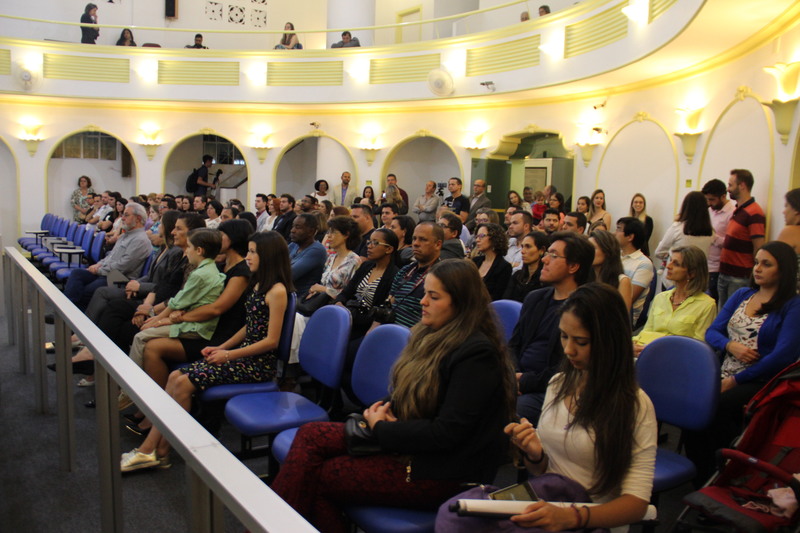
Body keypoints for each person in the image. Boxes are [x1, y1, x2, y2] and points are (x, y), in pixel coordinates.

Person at [272, 259, 517, 533]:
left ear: (461, 303)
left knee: (320, 476)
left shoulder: (477, 354)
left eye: (433, 296)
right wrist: (388, 413)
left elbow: (447, 433)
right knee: (309, 436)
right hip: (411, 441)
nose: (423, 301)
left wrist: (383, 427)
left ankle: (268, 526)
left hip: (444, 470)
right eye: (425, 292)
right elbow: (414, 396)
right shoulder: (431, 335)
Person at [121, 231, 292, 472]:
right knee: (174, 377)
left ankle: (152, 451)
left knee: (183, 383)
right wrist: (222, 347)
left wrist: (229, 355)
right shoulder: (259, 286)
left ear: (269, 256)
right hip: (240, 356)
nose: (248, 256)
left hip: (256, 365)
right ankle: (157, 452)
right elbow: (250, 327)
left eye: (253, 252)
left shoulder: (277, 291)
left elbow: (271, 341)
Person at [501, 282, 657, 531]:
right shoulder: (558, 383)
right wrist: (535, 454)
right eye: (564, 336)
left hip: (591, 520)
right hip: (549, 503)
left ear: (609, 342)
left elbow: (637, 504)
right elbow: (545, 472)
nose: (568, 349)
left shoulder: (635, 406)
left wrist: (574, 517)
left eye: (581, 342)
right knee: (458, 515)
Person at [687, 241, 800, 484]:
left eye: (766, 264)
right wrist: (730, 345)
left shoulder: (793, 306)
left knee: (714, 408)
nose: (757, 268)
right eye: (757, 262)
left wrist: (736, 380)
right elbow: (712, 332)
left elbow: (782, 356)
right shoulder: (743, 295)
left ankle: (723, 474)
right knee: (691, 404)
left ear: (784, 270)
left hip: (761, 379)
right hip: (725, 369)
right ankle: (700, 471)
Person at [509, 232, 595, 424]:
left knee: (510, 409)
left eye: (554, 256)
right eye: (547, 253)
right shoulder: (535, 298)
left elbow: (569, 366)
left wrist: (524, 382)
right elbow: (514, 344)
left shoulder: (585, 308)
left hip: (556, 388)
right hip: (517, 379)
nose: (545, 259)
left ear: (573, 266)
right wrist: (511, 375)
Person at [125, 229, 226, 369]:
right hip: (192, 320)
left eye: (189, 247)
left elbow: (178, 302)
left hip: (196, 327)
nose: (187, 251)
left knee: (141, 336)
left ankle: (131, 386)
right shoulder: (209, 269)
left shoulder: (200, 274)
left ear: (199, 251)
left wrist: (156, 320)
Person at [63, 203, 152, 310]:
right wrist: (98, 264)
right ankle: (66, 311)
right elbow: (110, 256)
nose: (122, 218)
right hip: (106, 272)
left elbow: (123, 266)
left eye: (126, 215)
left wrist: (99, 270)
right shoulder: (125, 235)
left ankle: (76, 318)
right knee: (77, 274)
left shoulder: (140, 240)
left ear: (138, 218)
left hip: (118, 279)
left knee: (86, 290)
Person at [632, 246, 716, 354]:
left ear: (692, 273)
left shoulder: (707, 305)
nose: (668, 266)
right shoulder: (661, 297)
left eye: (676, 264)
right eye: (670, 260)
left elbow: (699, 347)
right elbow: (646, 332)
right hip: (648, 352)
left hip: (678, 359)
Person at [335, 228, 399, 339]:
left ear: (388, 249)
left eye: (375, 243)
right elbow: (346, 293)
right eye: (369, 242)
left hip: (367, 329)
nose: (369, 246)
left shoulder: (394, 275)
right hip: (347, 319)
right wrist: (339, 305)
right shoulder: (366, 266)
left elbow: (382, 312)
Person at [718, 169, 766, 307]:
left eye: (731, 185)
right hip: (726, 272)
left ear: (742, 185)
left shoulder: (754, 212)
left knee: (731, 314)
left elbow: (759, 246)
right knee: (722, 315)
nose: (728, 189)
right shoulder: (738, 210)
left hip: (739, 276)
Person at [653, 191, 713, 286]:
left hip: (674, 280)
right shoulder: (711, 232)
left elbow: (659, 252)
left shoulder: (678, 227)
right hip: (697, 280)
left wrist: (670, 256)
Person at [302, 216, 361, 309]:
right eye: (328, 232)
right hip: (319, 303)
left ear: (346, 235)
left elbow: (350, 293)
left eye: (333, 232)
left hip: (335, 307)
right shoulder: (331, 257)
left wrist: (324, 289)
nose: (329, 236)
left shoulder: (353, 261)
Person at [616, 217, 654, 327]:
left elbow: (627, 299)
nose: (615, 233)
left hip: (624, 318)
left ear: (630, 237)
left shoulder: (644, 264)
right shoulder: (614, 256)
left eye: (618, 229)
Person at [702, 178, 736, 301]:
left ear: (722, 197)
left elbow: (731, 243)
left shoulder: (732, 213)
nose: (709, 203)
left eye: (712, 199)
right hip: (704, 264)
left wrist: (712, 236)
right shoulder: (709, 210)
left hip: (717, 268)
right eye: (707, 199)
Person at [589, 230, 632, 311]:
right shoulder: (584, 276)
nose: (588, 252)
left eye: (593, 248)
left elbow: (622, 318)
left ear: (607, 251)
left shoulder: (622, 281)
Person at [288, 213, 328, 300]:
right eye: (293, 226)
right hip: (287, 293)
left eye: (298, 227)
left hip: (300, 300)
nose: (292, 230)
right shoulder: (294, 245)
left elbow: (289, 275)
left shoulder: (317, 250)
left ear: (311, 231)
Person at [503, 231, 548, 302]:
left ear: (541, 250)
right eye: (522, 246)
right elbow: (506, 301)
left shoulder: (545, 281)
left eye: (528, 246)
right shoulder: (517, 276)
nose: (522, 251)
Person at [472, 223, 512, 301]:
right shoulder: (475, 261)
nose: (477, 240)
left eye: (482, 236)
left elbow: (498, 296)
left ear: (494, 238)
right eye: (476, 236)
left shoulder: (504, 267)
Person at [775, 188, 800, 292]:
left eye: (786, 206)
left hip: (792, 296)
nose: (783, 212)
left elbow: (775, 265)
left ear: (796, 210)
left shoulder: (790, 232)